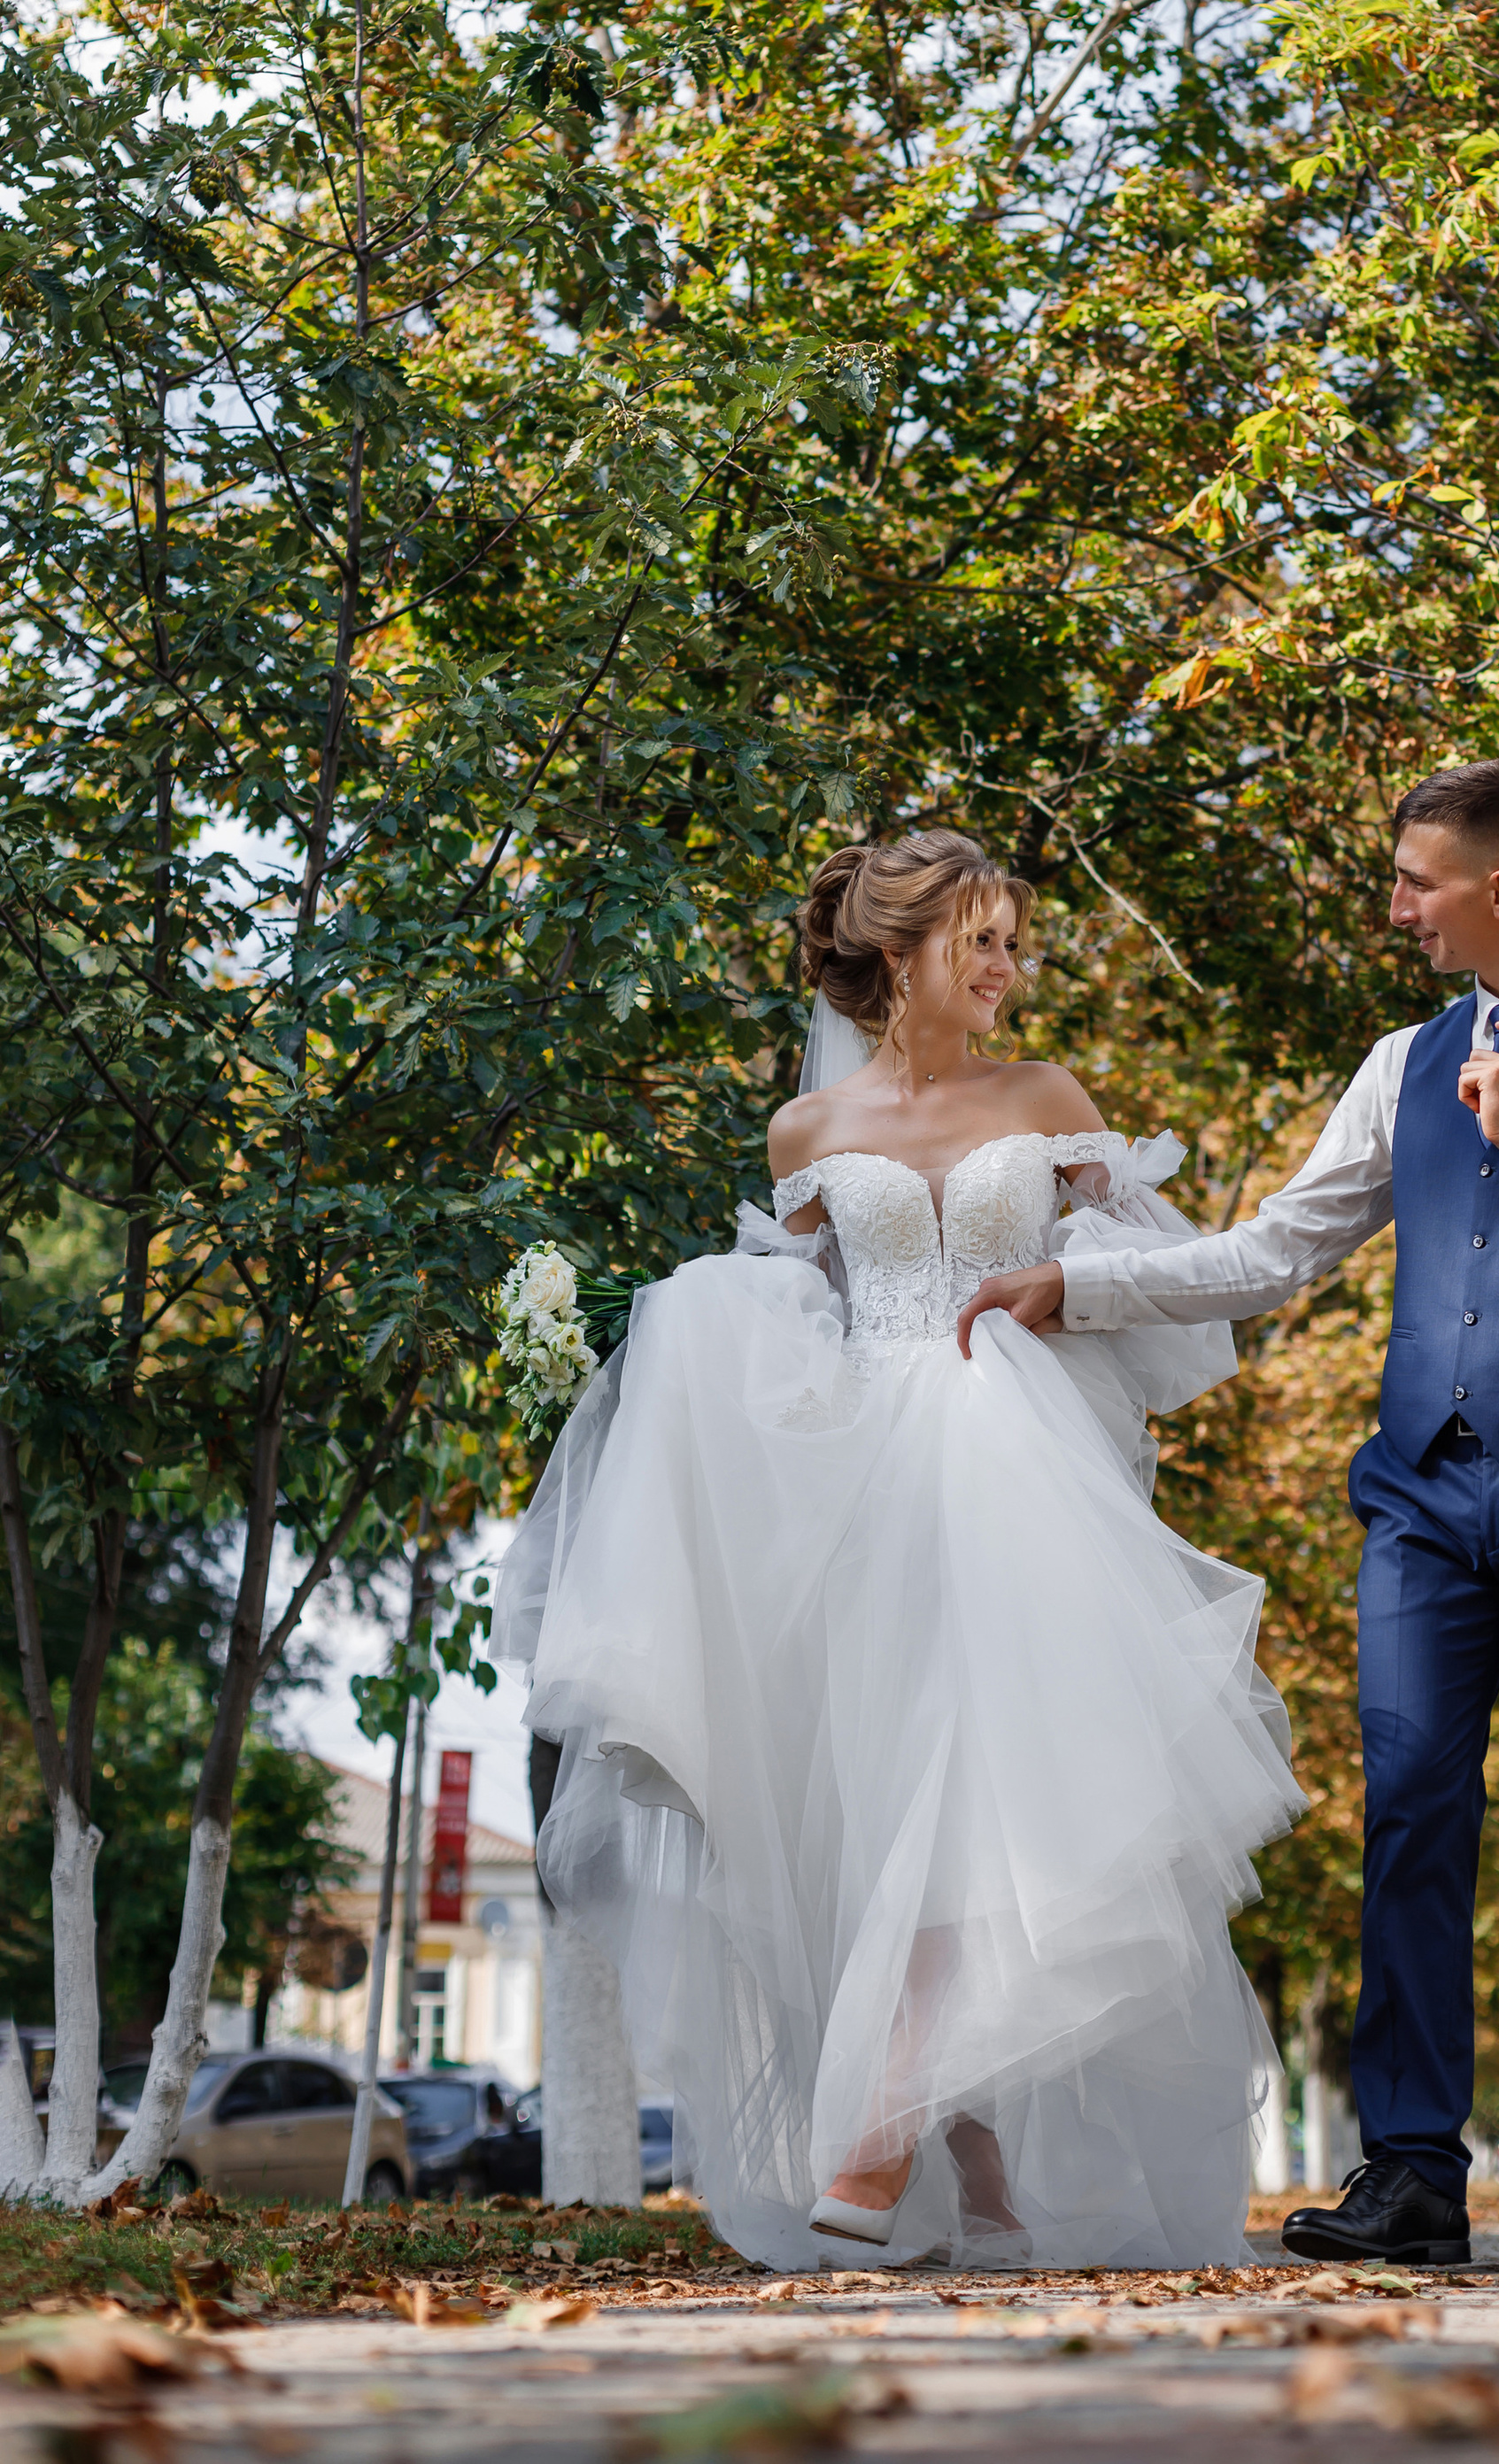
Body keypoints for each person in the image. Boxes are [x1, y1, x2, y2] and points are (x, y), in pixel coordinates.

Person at [961, 757, 1499, 2273]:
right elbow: (1278, 1248)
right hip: (1423, 1495)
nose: (1396, 907)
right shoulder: (1400, 1061)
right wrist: (1078, 1286)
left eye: (1416, 882)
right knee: (1415, 1816)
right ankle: (1414, 2173)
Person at [495, 831, 1304, 2272]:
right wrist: (676, 1329)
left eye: (1013, 943)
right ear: (902, 952)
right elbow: (793, 1316)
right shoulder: (809, 1135)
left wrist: (1067, 1295)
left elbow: (1162, 1304)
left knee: (972, 1786)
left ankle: (872, 2133)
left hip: (1015, 1476)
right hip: (858, 1490)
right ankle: (985, 2184)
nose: (1008, 969)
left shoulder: (1050, 1102)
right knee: (888, 1817)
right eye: (981, 942)